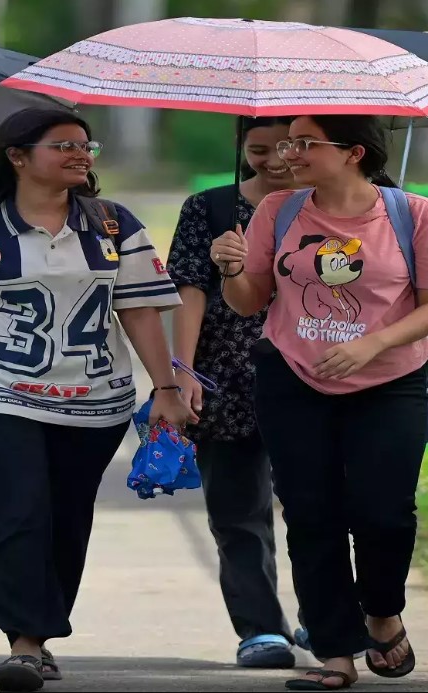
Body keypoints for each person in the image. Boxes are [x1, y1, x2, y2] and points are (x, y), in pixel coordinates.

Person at [0, 107, 196, 692]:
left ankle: (39, 636)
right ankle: (24, 643)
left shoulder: (115, 226)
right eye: (63, 145)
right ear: (18, 157)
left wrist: (166, 388)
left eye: (85, 145)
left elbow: (140, 313)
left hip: (96, 401)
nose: (81, 154)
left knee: (66, 520)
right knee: (17, 511)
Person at [212, 114, 428, 691]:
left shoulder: (417, 215)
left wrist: (371, 343)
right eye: (285, 143)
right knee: (310, 514)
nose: (288, 153)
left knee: (383, 511)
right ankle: (334, 652)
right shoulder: (279, 211)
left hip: (390, 378)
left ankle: (381, 613)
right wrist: (230, 269)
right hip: (292, 378)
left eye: (304, 143)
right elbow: (250, 302)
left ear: (353, 152)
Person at [166, 116, 303, 669]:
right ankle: (260, 629)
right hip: (227, 372)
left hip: (319, 373)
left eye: (285, 148)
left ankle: (326, 614)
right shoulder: (211, 208)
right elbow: (188, 289)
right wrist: (182, 369)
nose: (271, 161)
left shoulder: (334, 210)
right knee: (237, 510)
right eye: (257, 149)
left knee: (319, 507)